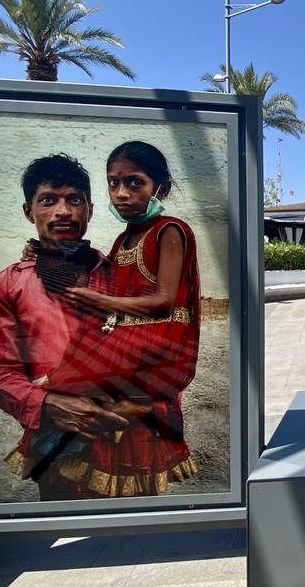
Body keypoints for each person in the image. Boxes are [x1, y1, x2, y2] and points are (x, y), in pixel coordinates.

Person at [50, 140, 202, 499]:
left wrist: (97, 300)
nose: (121, 193)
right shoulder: (123, 239)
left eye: (135, 182)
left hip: (161, 341)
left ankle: (135, 404)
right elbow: (106, 280)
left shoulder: (170, 230)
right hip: (130, 338)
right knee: (62, 376)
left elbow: (164, 302)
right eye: (113, 183)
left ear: (158, 188)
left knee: (69, 381)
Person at [0, 154, 133, 501]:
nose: (63, 212)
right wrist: (50, 404)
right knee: (73, 544)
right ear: (28, 211)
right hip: (61, 457)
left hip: (133, 447)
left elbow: (163, 354)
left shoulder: (125, 279)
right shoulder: (6, 286)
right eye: (48, 200)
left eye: (74, 200)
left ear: (90, 210)